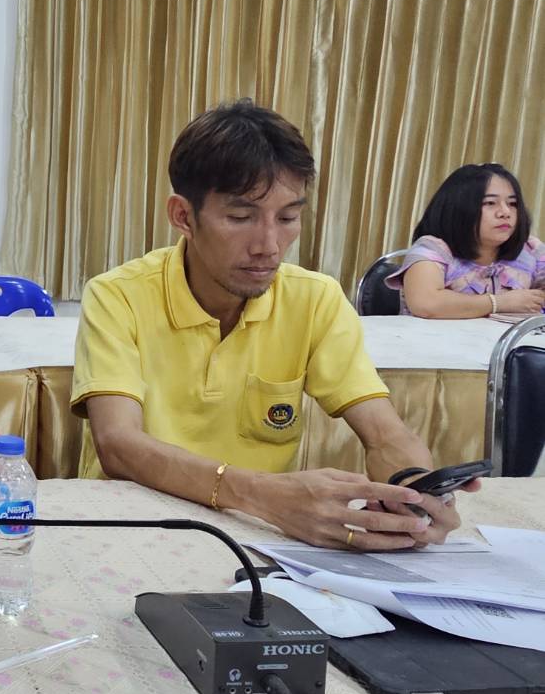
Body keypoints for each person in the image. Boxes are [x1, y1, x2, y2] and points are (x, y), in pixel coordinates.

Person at [72, 99, 477, 551]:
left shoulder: (314, 299)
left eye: (288, 218)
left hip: (255, 536)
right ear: (183, 216)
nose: (269, 245)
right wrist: (263, 495)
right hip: (133, 524)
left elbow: (385, 433)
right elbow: (118, 444)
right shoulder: (118, 295)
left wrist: (412, 493)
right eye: (241, 217)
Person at [386, 163, 545, 318]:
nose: (505, 212)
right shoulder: (432, 249)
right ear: (459, 208)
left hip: (511, 344)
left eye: (512, 204)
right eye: (490, 203)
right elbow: (426, 304)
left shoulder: (531, 249)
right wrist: (499, 303)